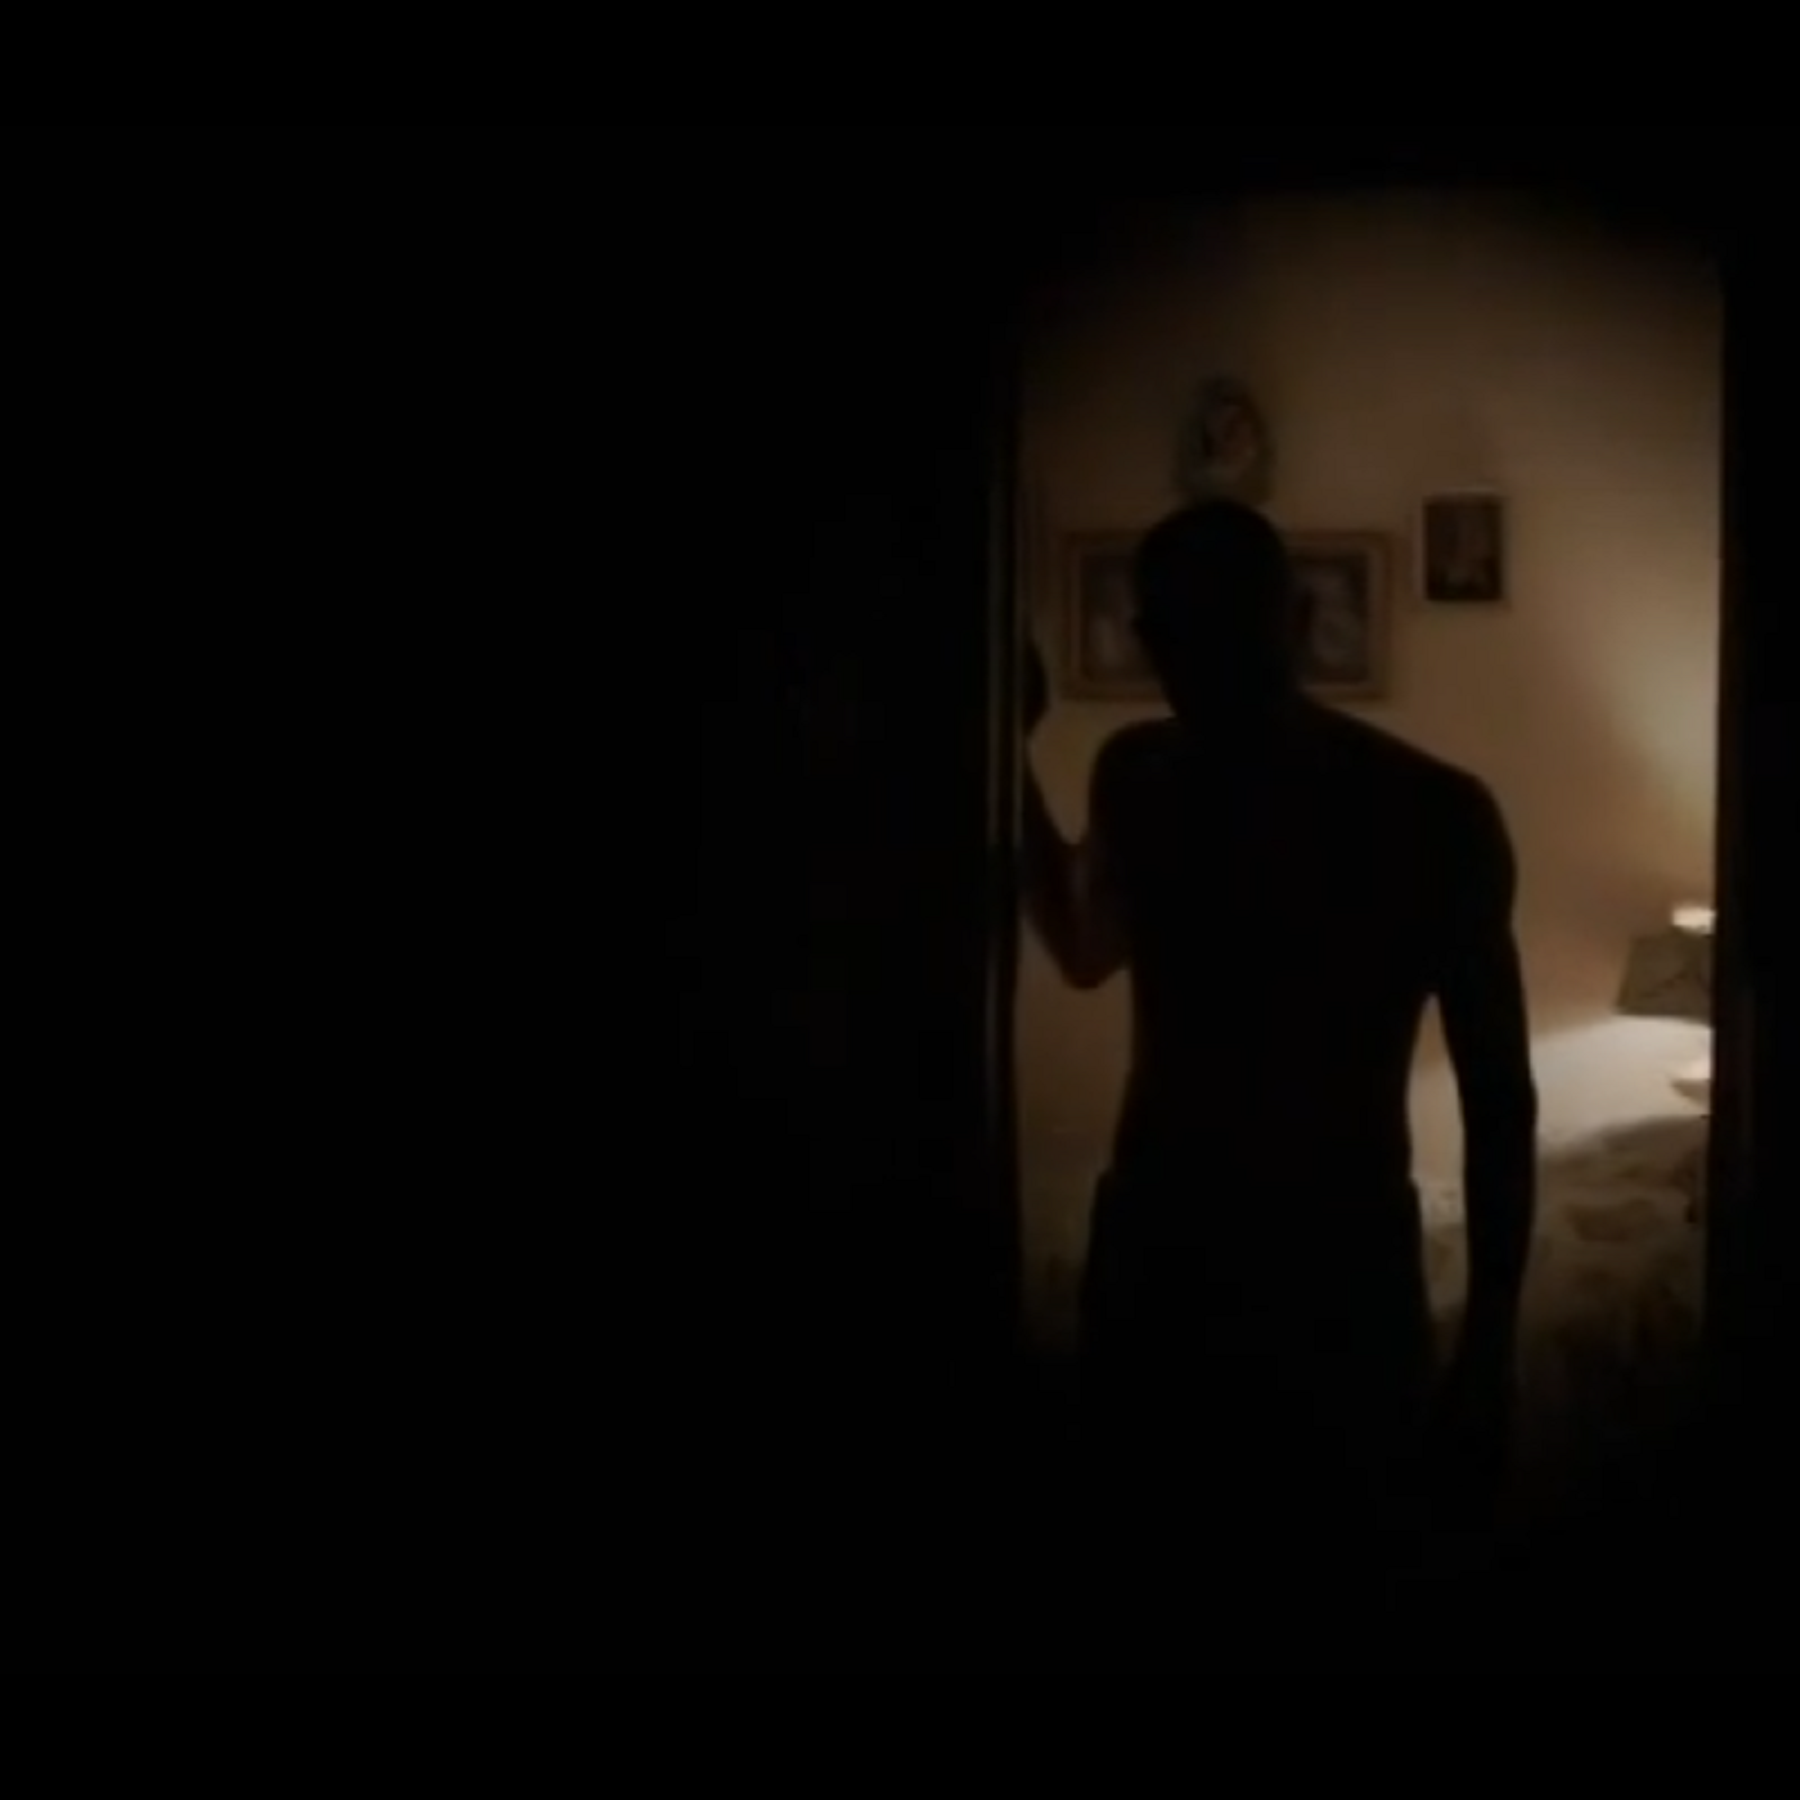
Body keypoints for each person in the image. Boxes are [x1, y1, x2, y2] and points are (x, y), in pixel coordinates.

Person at [1020, 500, 1537, 1659]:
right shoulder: (1142, 774)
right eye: (1180, 639)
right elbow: (1088, 948)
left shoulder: (1429, 814)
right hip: (1172, 1248)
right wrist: (1002, 762)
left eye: (1223, 633)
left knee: (1326, 1585)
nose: (1198, 667)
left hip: (1320, 1263)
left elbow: (1501, 1099)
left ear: (1291, 621)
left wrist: (1490, 1344)